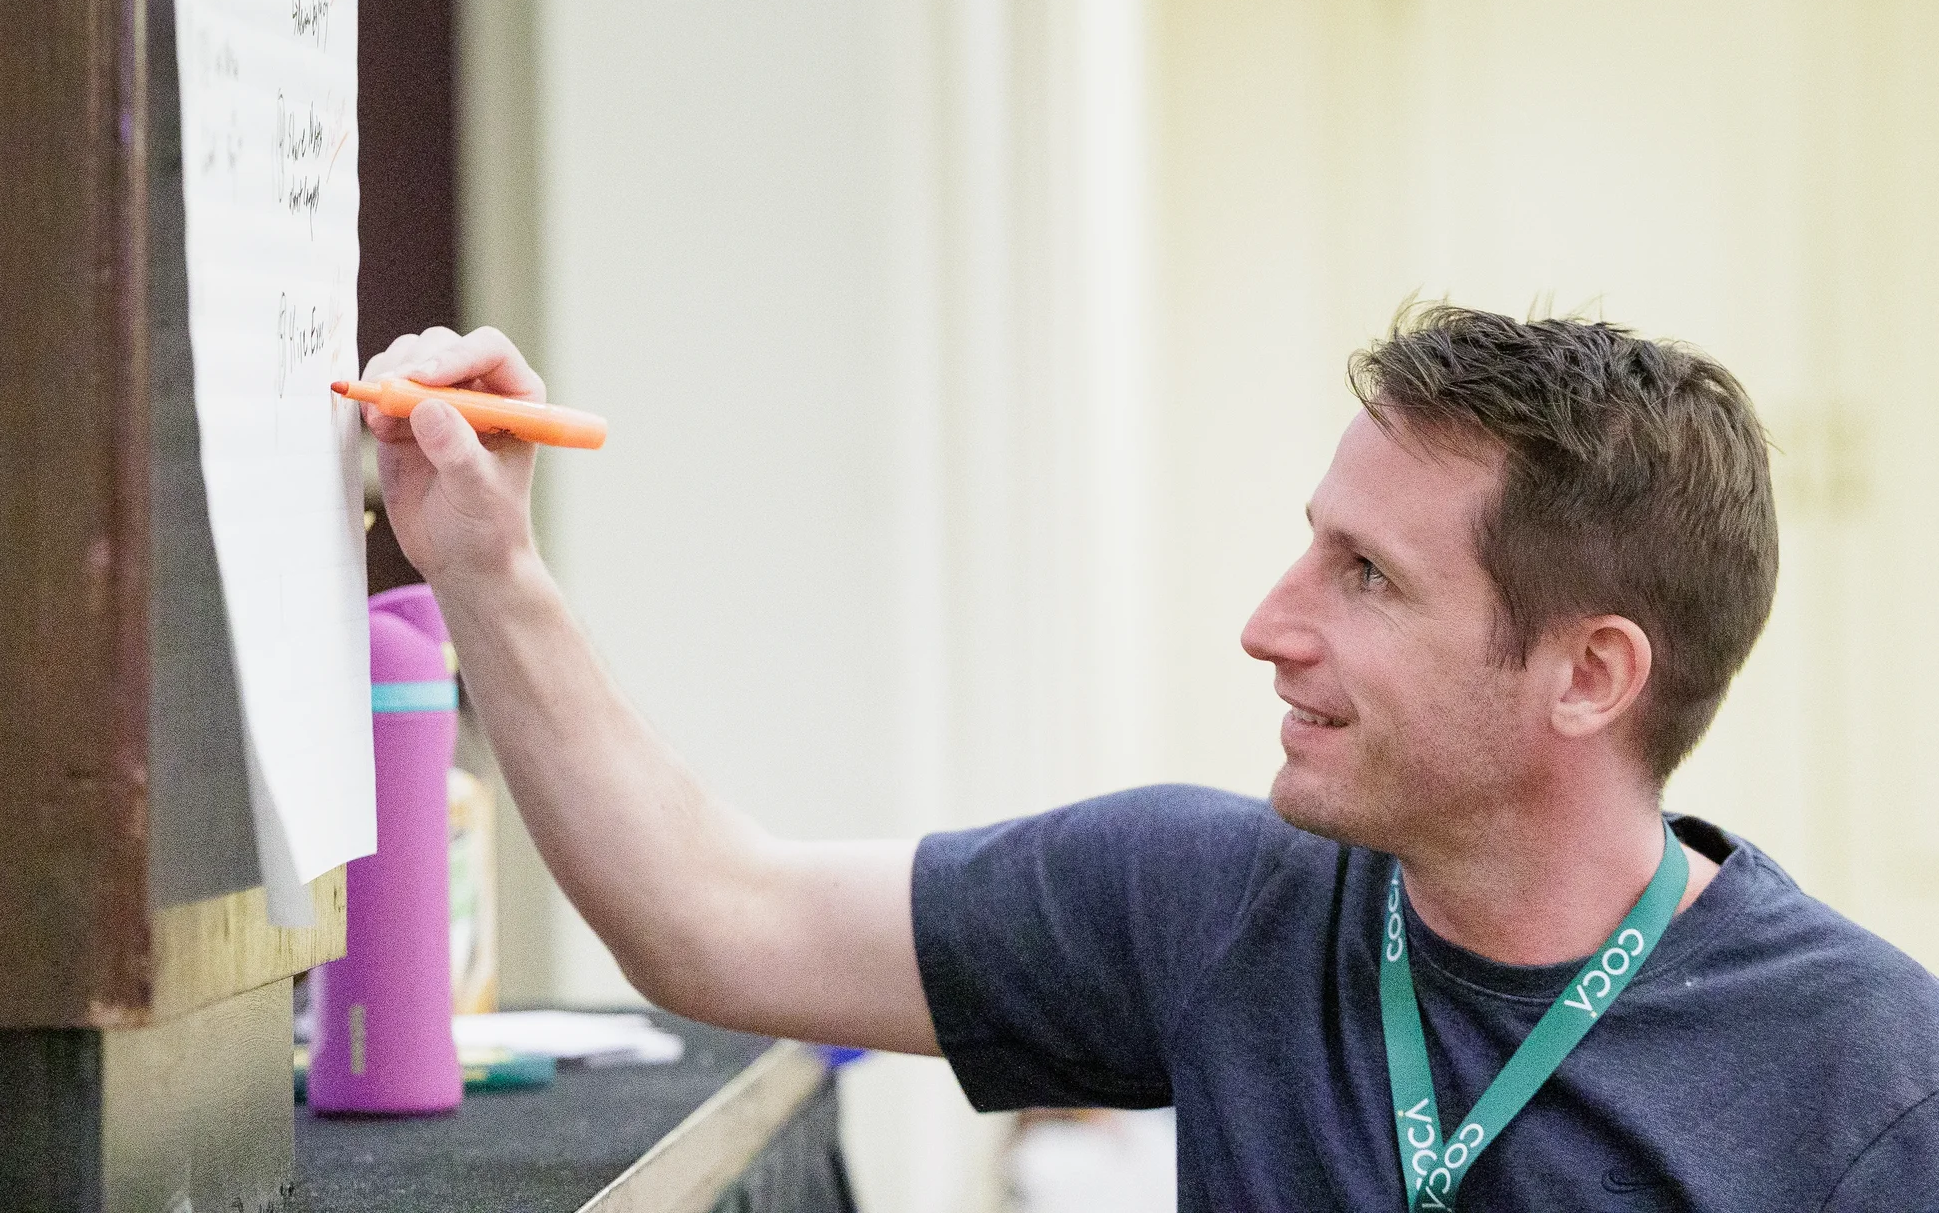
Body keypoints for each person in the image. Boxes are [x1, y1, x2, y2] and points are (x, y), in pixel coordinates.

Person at [358, 304, 1939, 1211]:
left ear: (1589, 675)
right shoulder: (1214, 900)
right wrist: (482, 564)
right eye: (1311, 546)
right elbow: (710, 916)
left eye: (1366, 576)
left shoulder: (1873, 1080)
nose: (1268, 624)